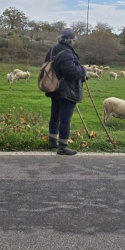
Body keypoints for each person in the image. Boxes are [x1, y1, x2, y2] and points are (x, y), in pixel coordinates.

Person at [43, 28, 87, 156]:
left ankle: (52, 141)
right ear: (70, 40)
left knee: (55, 115)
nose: (74, 42)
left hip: (54, 88)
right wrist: (83, 70)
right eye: (73, 40)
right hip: (66, 90)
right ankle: (63, 147)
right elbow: (71, 73)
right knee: (65, 119)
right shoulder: (67, 53)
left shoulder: (52, 50)